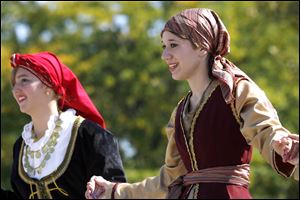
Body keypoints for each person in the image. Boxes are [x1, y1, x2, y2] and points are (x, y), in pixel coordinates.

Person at [85, 8, 299, 199]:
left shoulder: (236, 90)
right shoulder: (179, 112)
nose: (165, 55)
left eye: (174, 45)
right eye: (164, 46)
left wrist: (284, 145)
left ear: (201, 47)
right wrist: (115, 191)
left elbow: (267, 131)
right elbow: (169, 179)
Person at [1, 52, 127, 199]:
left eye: (24, 80)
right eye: (14, 83)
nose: (16, 89)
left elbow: (114, 193)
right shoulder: (22, 146)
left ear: (49, 85)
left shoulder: (90, 135)